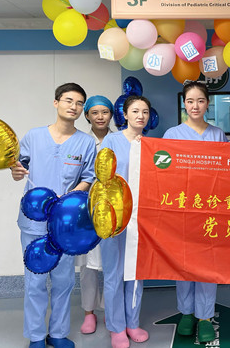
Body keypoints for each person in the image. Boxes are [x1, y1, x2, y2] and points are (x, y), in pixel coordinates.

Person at [11, 83, 96, 348]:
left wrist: (67, 202)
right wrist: (15, 172)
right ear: (56, 102)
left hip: (66, 226)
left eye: (79, 103)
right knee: (34, 281)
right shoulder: (34, 136)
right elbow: (19, 167)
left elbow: (88, 178)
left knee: (64, 281)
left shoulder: (85, 142)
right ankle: (36, 336)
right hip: (34, 223)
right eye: (69, 100)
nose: (74, 106)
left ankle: (58, 333)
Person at [163, 80, 228, 344]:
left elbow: (226, 172)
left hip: (210, 209)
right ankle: (186, 312)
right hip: (182, 209)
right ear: (184, 104)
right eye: (190, 101)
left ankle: (204, 316)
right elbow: (163, 171)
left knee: (207, 264)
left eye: (200, 101)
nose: (195, 106)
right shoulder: (172, 134)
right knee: (184, 262)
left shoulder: (217, 134)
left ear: (207, 104)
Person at [99, 95, 152, 348]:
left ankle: (132, 322)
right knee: (114, 273)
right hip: (114, 216)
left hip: (141, 217)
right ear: (126, 114)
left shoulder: (151, 144)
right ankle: (116, 327)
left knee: (135, 273)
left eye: (145, 112)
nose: (140, 116)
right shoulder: (111, 140)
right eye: (135, 111)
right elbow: (102, 177)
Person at [77, 95, 114, 334]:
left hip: (114, 209)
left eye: (105, 112)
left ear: (111, 115)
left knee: (113, 263)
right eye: (95, 112)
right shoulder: (80, 141)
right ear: (87, 115)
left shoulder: (119, 139)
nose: (100, 117)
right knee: (87, 265)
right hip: (86, 209)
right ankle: (89, 312)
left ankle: (112, 309)